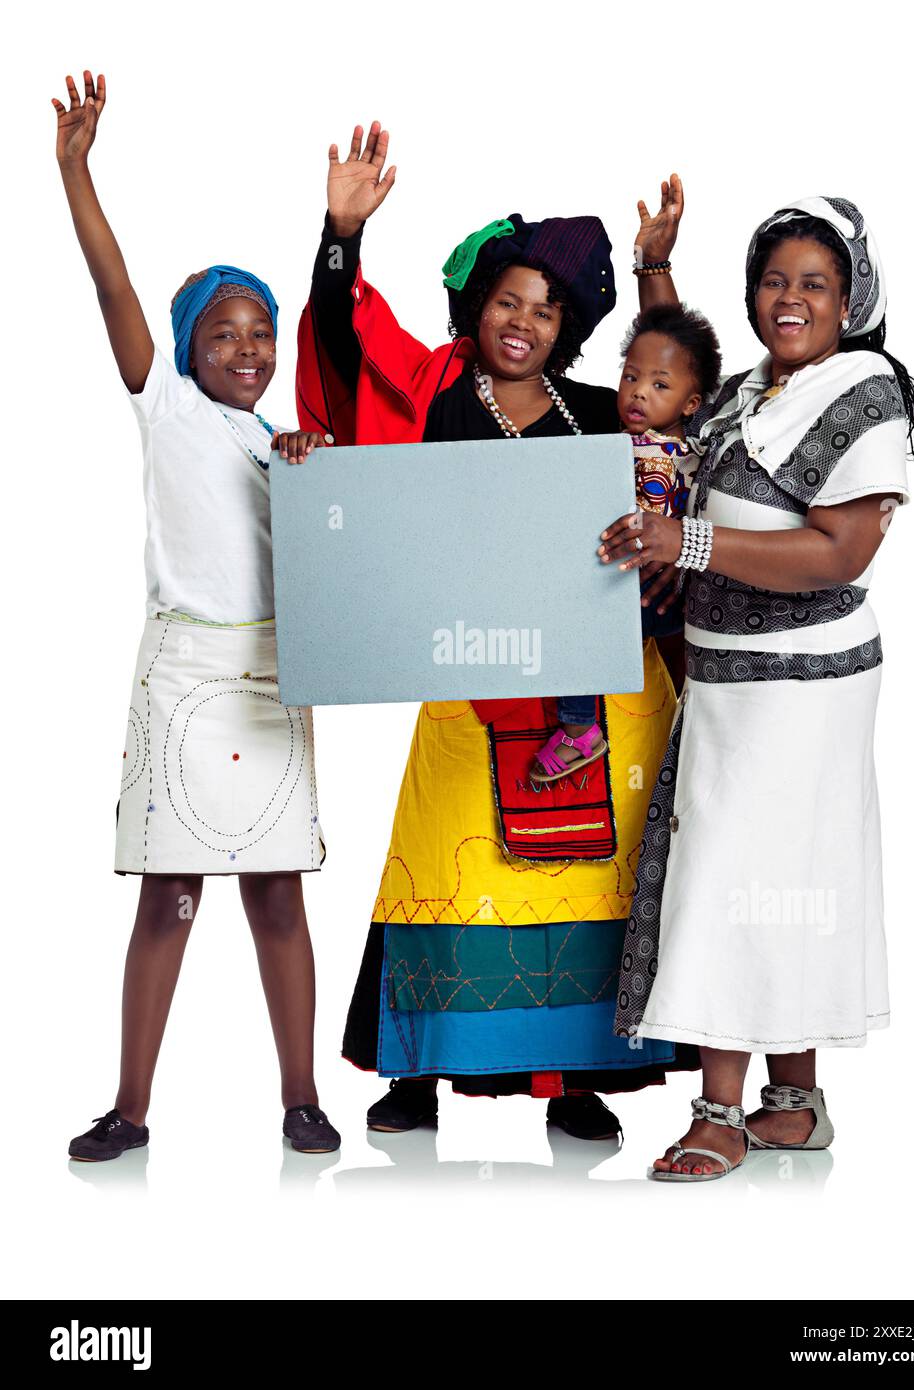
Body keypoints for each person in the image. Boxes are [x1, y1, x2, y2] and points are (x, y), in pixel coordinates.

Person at [297, 123, 698, 1141]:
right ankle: (416, 1069)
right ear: (477, 308)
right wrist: (341, 232)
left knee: (579, 876)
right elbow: (348, 354)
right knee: (443, 863)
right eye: (506, 301)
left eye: (545, 308)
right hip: (470, 683)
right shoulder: (436, 395)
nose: (523, 321)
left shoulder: (606, 411)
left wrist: (657, 269)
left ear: (567, 327)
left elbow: (677, 391)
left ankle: (575, 1074)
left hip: (592, 692)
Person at [601, 177, 914, 1180]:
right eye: (774, 280)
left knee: (737, 882)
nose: (792, 297)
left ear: (851, 300)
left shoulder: (865, 394)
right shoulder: (754, 390)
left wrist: (686, 539)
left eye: (816, 284)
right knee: (782, 882)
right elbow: (676, 380)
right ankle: (794, 1103)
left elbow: (839, 554)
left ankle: (719, 1114)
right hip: (731, 679)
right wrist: (655, 267)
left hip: (802, 687)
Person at [54, 70, 339, 1161]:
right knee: (170, 892)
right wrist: (78, 174)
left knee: (276, 894)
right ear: (185, 348)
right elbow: (115, 289)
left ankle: (301, 1096)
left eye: (261, 331)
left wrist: (314, 469)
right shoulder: (165, 404)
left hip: (275, 673)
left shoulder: (285, 447)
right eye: (224, 333)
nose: (248, 349)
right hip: (184, 671)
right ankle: (130, 1107)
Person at [530, 303, 721, 784]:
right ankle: (694, 728)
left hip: (659, 588)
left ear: (691, 404)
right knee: (683, 682)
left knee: (581, 628)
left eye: (660, 385)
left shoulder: (672, 450)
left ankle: (578, 729)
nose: (638, 392)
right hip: (652, 589)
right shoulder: (633, 440)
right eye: (630, 377)